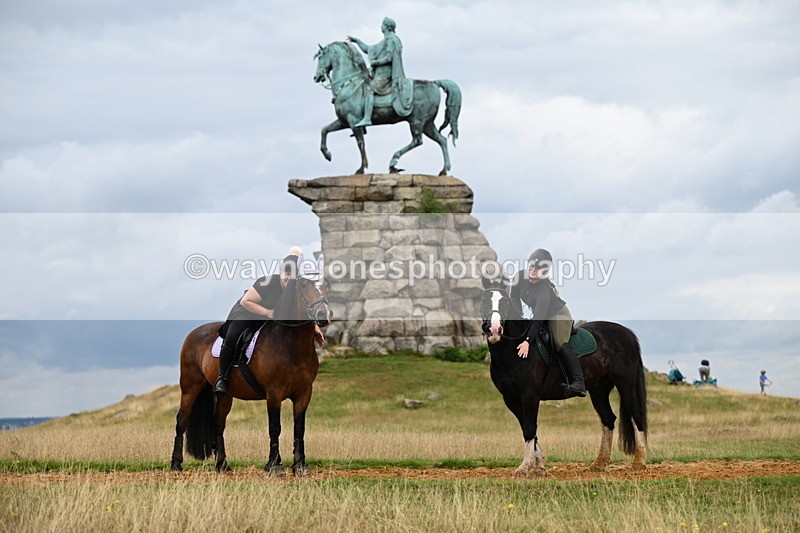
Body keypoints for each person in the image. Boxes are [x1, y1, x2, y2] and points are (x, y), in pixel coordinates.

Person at [213, 246, 325, 394]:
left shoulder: (294, 290)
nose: (287, 277)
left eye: (292, 275)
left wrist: (315, 328)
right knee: (233, 336)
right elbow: (246, 302)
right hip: (247, 313)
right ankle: (223, 377)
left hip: (270, 318)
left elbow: (303, 311)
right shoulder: (267, 283)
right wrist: (267, 313)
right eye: (286, 272)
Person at [510, 248, 586, 398]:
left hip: (558, 315)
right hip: (541, 315)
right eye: (531, 265)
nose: (533, 269)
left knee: (558, 341)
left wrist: (526, 341)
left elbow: (538, 320)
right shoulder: (519, 276)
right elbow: (514, 297)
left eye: (538, 268)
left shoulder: (543, 289)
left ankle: (578, 381)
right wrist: (518, 315)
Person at [346, 16, 413, 127]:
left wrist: (375, 63)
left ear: (386, 27)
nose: (380, 27)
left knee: (369, 90)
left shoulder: (392, 40)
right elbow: (368, 49)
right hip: (380, 73)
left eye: (382, 25)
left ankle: (367, 118)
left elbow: (389, 57)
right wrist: (357, 41)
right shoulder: (385, 41)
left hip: (386, 74)